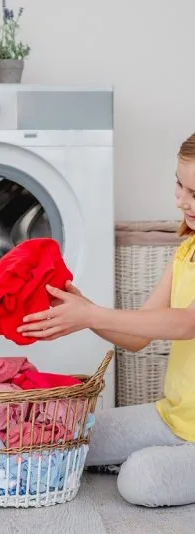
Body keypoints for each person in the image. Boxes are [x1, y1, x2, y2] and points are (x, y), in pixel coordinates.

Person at [18, 131, 195, 508]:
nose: (181, 201)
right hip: (173, 418)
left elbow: (185, 323)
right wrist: (84, 312)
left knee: (140, 479)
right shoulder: (186, 253)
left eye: (194, 193)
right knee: (65, 433)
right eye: (179, 186)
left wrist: (91, 314)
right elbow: (138, 335)